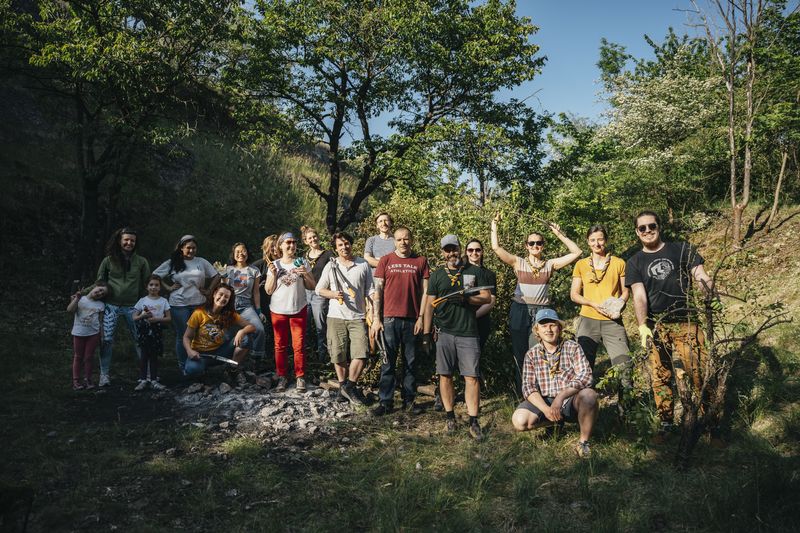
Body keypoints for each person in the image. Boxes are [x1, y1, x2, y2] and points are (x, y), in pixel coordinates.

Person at [625, 211, 714, 436]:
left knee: (698, 371)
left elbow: (700, 274)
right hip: (657, 326)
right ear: (637, 232)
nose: (647, 231)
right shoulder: (634, 262)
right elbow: (639, 296)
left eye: (651, 226)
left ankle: (710, 421)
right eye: (642, 228)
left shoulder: (681, 249)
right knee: (660, 375)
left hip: (686, 321)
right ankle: (666, 423)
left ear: (659, 226)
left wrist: (708, 289)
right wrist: (643, 325)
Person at [490, 213, 582, 395]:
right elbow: (496, 248)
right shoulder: (518, 262)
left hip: (542, 313)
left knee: (539, 353)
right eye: (531, 243)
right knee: (520, 354)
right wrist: (494, 224)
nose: (535, 246)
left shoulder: (550, 264)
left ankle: (542, 394)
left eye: (538, 243)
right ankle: (524, 396)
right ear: (526, 246)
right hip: (520, 310)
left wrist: (559, 234)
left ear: (543, 245)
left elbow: (576, 252)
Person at [423, 235, 492, 440]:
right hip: (444, 332)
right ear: (442, 252)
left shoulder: (473, 271)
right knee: (445, 375)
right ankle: (450, 417)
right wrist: (426, 334)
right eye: (447, 250)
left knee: (471, 377)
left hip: (468, 332)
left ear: (460, 249)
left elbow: (486, 297)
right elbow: (429, 306)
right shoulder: (437, 275)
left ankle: (473, 421)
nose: (451, 253)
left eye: (454, 249)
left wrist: (467, 299)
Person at [511, 309, 598, 458]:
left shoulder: (573, 347)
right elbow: (528, 387)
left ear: (560, 327)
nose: (549, 330)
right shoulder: (531, 354)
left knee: (589, 396)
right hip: (545, 400)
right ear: (537, 330)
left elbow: (586, 376)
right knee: (520, 421)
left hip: (570, 399)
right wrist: (546, 409)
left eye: (552, 325)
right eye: (544, 326)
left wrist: (561, 396)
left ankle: (583, 443)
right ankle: (555, 422)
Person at [370, 226, 430, 415]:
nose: (403, 242)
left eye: (406, 239)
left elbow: (426, 292)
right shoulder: (386, 260)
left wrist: (421, 317)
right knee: (388, 362)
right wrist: (376, 318)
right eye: (399, 239)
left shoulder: (420, 261)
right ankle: (385, 402)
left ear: (411, 240)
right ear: (394, 241)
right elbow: (378, 291)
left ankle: (409, 401)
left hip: (412, 320)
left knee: (410, 362)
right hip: (389, 319)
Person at [315, 232, 374, 405]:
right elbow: (319, 289)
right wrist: (333, 294)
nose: (344, 247)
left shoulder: (362, 264)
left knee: (362, 352)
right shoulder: (331, 266)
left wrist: (372, 310)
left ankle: (350, 386)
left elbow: (370, 290)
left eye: (346, 243)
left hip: (358, 316)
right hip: (336, 316)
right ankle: (343, 387)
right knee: (338, 353)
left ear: (351, 244)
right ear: (336, 248)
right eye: (340, 245)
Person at [153, 235, 219, 374]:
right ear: (181, 248)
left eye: (194, 248)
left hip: (199, 303)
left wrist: (209, 290)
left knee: (199, 334)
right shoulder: (173, 262)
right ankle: (183, 365)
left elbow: (216, 275)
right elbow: (155, 275)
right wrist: (168, 287)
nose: (191, 251)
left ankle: (198, 363)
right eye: (188, 248)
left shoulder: (201, 261)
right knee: (183, 335)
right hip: (179, 304)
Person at [570, 225, 630, 377]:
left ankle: (626, 393)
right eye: (592, 240)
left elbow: (626, 291)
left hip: (612, 321)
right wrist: (592, 304)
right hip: (588, 320)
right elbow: (574, 295)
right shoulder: (581, 264)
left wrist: (619, 304)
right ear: (588, 242)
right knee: (583, 366)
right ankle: (586, 392)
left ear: (606, 240)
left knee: (624, 364)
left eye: (600, 239)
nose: (596, 244)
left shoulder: (619, 263)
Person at [94, 227, 151, 387]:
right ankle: (104, 375)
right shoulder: (108, 261)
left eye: (132, 240)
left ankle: (147, 374)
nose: (129, 243)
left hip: (133, 307)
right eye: (126, 239)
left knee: (140, 339)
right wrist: (83, 295)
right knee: (106, 340)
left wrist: (148, 303)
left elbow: (148, 284)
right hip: (111, 306)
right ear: (119, 241)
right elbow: (99, 282)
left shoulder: (141, 262)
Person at [265, 232, 316, 392]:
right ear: (280, 245)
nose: (291, 245)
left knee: (298, 345)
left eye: (293, 242)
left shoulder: (302, 262)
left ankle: (300, 376)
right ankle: (282, 376)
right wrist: (273, 274)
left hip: (298, 308)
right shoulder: (274, 264)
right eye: (288, 242)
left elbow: (312, 286)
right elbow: (268, 290)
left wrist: (305, 273)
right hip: (278, 310)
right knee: (280, 345)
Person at [182, 284, 255, 381]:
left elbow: (252, 327)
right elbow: (186, 337)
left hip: (220, 352)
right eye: (220, 294)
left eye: (226, 297)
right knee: (192, 370)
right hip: (200, 355)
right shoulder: (199, 313)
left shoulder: (229, 314)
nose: (223, 298)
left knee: (245, 338)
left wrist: (242, 331)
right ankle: (205, 371)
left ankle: (232, 369)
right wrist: (189, 351)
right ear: (214, 294)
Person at [224, 242, 267, 360]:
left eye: (243, 251)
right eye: (237, 252)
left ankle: (255, 359)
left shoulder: (254, 270)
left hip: (246, 305)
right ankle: (227, 362)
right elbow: (223, 289)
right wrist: (222, 276)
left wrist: (259, 311)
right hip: (229, 305)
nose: (241, 254)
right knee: (227, 335)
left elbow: (256, 292)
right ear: (233, 254)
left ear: (247, 253)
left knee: (259, 329)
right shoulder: (228, 269)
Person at [132, 275, 171, 391]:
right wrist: (142, 316)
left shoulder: (163, 301)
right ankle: (143, 380)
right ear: (147, 287)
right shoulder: (142, 301)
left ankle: (154, 380)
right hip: (144, 331)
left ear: (160, 287)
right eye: (151, 285)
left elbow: (169, 318)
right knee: (144, 355)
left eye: (156, 285)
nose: (154, 287)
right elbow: (134, 317)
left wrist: (157, 319)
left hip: (156, 331)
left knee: (154, 356)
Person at [301, 225, 335, 361]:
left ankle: (323, 356)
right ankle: (309, 355)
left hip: (319, 294)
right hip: (305, 293)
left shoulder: (328, 254)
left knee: (321, 326)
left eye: (314, 237)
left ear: (318, 237)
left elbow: (334, 273)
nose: (313, 239)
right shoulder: (304, 257)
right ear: (305, 241)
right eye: (309, 238)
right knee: (305, 327)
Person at [67, 282, 109, 390]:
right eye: (100, 290)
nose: (100, 293)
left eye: (103, 294)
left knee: (89, 357)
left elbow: (100, 321)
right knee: (78, 357)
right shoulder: (80, 299)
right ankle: (76, 381)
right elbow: (70, 310)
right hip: (79, 333)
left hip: (93, 334)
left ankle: (88, 380)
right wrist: (76, 299)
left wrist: (102, 336)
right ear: (95, 286)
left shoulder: (101, 305)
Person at [463, 238, 497, 350]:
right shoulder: (459, 271)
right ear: (466, 252)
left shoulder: (489, 274)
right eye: (470, 250)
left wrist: (473, 317)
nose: (474, 253)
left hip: (480, 322)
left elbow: (491, 300)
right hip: (460, 321)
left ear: (482, 252)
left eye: (477, 250)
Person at [251, 234, 279, 359]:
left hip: (281, 304)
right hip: (262, 304)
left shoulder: (285, 263)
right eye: (272, 246)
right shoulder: (258, 265)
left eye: (277, 245)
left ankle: (275, 358)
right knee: (263, 332)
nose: (275, 249)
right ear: (266, 248)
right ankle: (261, 358)